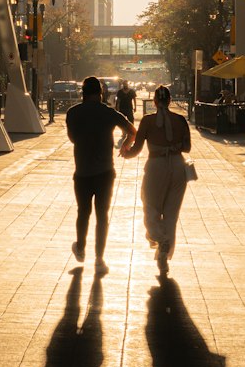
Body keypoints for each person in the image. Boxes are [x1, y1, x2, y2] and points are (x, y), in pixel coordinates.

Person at [65, 75, 135, 274]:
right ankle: (99, 258)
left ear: (83, 93)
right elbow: (132, 130)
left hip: (82, 171)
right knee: (102, 215)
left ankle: (80, 248)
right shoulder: (109, 113)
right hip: (105, 171)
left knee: (83, 212)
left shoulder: (73, 113)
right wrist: (125, 146)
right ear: (101, 93)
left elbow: (72, 138)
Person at [121, 85, 192, 275]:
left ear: (154, 101)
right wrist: (173, 146)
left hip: (156, 165)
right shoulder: (180, 120)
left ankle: (160, 238)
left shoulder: (148, 121)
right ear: (169, 100)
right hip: (178, 166)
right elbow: (187, 147)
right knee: (171, 213)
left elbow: (136, 149)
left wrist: (125, 154)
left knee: (150, 206)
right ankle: (164, 254)